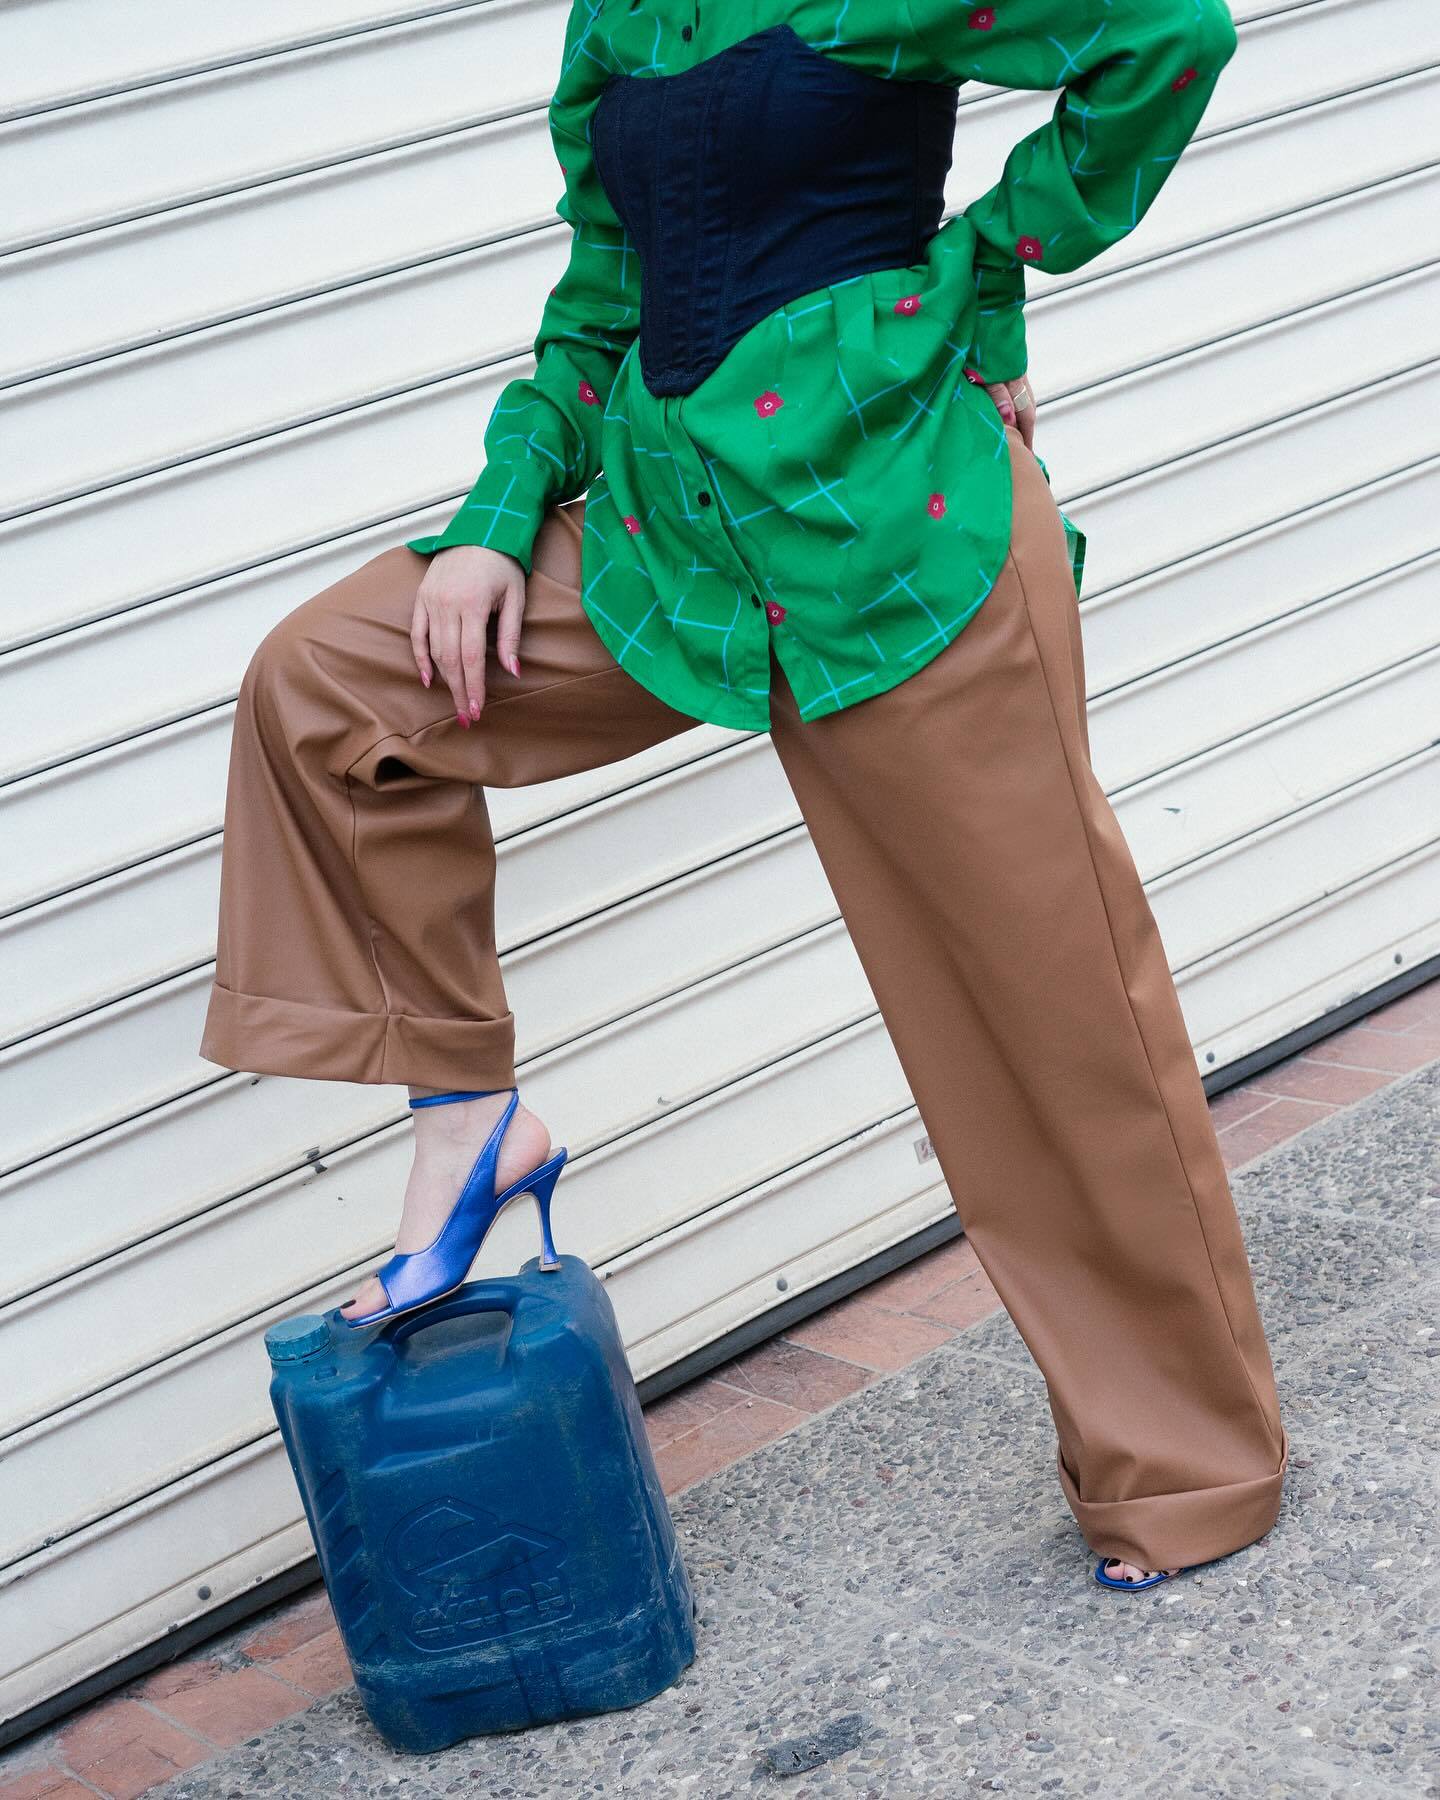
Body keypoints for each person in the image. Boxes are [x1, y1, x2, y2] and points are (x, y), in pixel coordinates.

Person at [200, 0, 1288, 1591]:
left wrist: (983, 277)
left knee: (1060, 1038)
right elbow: (606, 287)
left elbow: (1165, 35)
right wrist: (499, 517)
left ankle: (1188, 1472)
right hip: (672, 550)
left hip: (898, 545)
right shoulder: (619, 20)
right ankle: (469, 1111)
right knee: (330, 686)